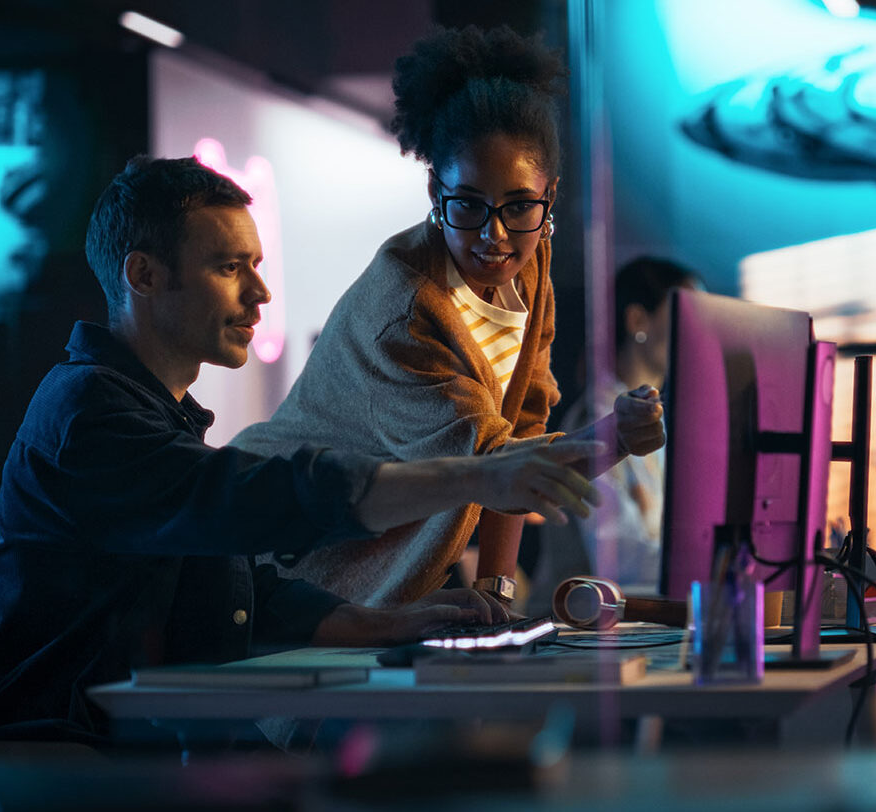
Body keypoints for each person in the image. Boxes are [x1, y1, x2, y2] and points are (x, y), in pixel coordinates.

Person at [0, 156, 601, 746]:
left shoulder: (143, 411)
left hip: (133, 747)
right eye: (228, 267)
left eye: (256, 266)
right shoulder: (87, 415)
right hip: (71, 758)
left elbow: (243, 589)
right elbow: (248, 498)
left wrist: (392, 622)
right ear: (144, 275)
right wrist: (479, 477)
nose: (259, 295)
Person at [231, 26, 664, 609]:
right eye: (469, 205)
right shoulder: (405, 311)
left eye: (518, 206)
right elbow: (492, 465)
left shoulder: (528, 260)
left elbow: (524, 424)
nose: (495, 235)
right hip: (288, 560)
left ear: (549, 197)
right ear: (436, 191)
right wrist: (616, 437)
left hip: (377, 567)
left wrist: (497, 587)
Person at [528, 258, 701, 607]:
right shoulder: (595, 422)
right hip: (571, 638)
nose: (699, 334)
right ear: (638, 320)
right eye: (688, 316)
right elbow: (620, 562)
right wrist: (713, 563)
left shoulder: (652, 421)